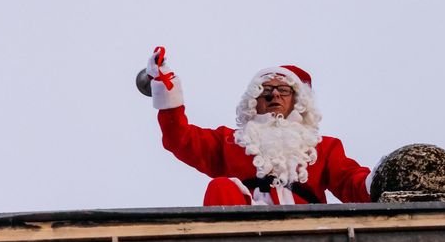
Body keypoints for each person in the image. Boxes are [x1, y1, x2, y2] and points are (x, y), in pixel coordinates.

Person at [146, 46, 372, 206]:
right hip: (247, 224)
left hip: (307, 228)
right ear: (254, 100)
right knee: (222, 187)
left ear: (298, 101)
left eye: (283, 90)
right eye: (265, 91)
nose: (274, 94)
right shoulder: (231, 141)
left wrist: (379, 181)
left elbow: (353, 184)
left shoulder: (323, 148)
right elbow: (180, 138)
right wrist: (165, 85)